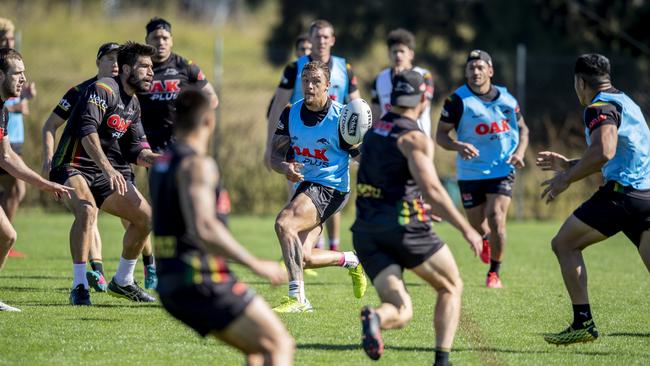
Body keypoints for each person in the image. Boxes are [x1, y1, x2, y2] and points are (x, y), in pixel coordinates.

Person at [150, 88, 294, 366]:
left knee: (257, 351)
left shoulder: (164, 162)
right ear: (208, 121)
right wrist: (256, 264)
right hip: (201, 279)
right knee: (280, 345)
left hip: (170, 280)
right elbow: (204, 228)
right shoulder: (197, 165)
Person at [353, 71, 482, 365]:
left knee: (401, 309)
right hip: (403, 230)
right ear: (423, 100)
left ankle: (375, 317)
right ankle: (442, 360)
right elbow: (433, 189)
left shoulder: (373, 132)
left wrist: (421, 204)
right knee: (451, 286)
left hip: (366, 232)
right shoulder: (414, 138)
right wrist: (467, 230)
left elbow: (390, 181)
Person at [536, 54, 650, 345]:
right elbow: (622, 151)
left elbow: (604, 151)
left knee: (564, 244)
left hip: (622, 196)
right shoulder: (626, 102)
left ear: (580, 82)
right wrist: (569, 164)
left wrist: (566, 179)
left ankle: (582, 323)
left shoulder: (598, 106)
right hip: (646, 195)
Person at [49, 42, 161, 305]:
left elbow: (137, 150)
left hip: (103, 172)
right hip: (71, 165)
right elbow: (86, 131)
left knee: (146, 218)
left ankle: (123, 281)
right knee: (87, 211)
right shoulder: (103, 89)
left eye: (152, 67)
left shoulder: (133, 103)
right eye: (144, 66)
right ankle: (79, 286)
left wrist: (161, 160)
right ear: (125, 69)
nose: (151, 72)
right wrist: (109, 168)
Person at [269, 61, 366, 313]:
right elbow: (274, 156)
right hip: (307, 186)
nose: (309, 87)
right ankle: (350, 260)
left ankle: (298, 299)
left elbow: (361, 157)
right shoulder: (290, 113)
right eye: (306, 81)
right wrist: (284, 167)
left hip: (332, 187)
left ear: (327, 86)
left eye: (316, 82)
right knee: (302, 256)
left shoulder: (342, 118)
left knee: (284, 223)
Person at [435, 50, 529, 288]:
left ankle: (494, 273)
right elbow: (441, 136)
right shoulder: (456, 101)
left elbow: (524, 130)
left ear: (490, 71)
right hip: (470, 172)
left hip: (502, 168)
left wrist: (519, 153)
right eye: (471, 68)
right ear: (466, 72)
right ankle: (485, 239)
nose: (475, 72)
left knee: (497, 218)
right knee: (478, 225)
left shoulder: (507, 100)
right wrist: (458, 145)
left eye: (480, 67)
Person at [266, 19, 360, 252]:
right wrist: (271, 146)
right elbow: (279, 104)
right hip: (301, 144)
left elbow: (356, 105)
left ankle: (333, 247)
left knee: (331, 189)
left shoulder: (344, 67)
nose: (322, 41)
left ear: (333, 40)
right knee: (297, 201)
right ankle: (308, 249)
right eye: (317, 37)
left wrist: (359, 134)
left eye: (326, 37)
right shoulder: (295, 67)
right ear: (310, 39)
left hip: (335, 139)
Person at [42, 42, 120, 292]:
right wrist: (47, 159)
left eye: (119, 60)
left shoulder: (124, 97)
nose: (115, 64)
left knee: (95, 213)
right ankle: (89, 277)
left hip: (99, 168)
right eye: (109, 58)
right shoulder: (79, 91)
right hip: (70, 165)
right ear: (98, 62)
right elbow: (50, 125)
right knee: (88, 211)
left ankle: (106, 274)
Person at [0, 47, 73, 311]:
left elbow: (6, 157)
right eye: (16, 73)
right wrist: (44, 183)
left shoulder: (3, 111)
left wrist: (44, 183)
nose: (23, 79)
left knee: (7, 236)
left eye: (24, 73)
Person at [0, 17, 36, 258]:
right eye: (6, 37)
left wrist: (25, 99)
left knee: (16, 190)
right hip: (6, 142)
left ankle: (4, 234)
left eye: (12, 38)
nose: (10, 41)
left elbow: (6, 156)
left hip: (12, 137)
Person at [371, 28, 434, 136]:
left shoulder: (424, 76)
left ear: (411, 54)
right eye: (395, 51)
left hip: (416, 138)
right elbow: (376, 114)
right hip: (387, 141)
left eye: (402, 51)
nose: (398, 55)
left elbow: (424, 105)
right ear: (389, 53)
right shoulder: (380, 79)